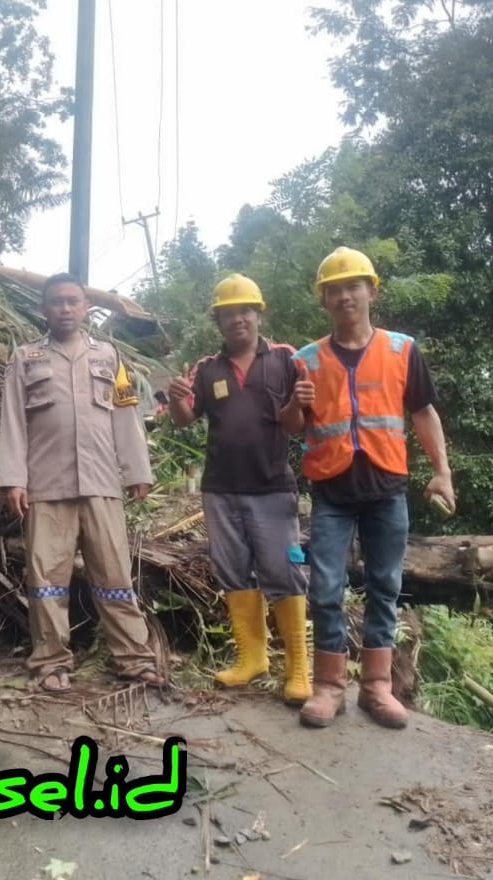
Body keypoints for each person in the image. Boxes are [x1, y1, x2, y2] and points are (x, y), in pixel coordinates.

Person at [281, 247, 455, 730]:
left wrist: (441, 471)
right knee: (325, 588)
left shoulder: (402, 350)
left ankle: (377, 686)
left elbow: (423, 412)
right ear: (323, 299)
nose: (344, 296)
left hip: (386, 488)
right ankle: (329, 686)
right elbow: (291, 426)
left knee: (385, 586)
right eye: (334, 290)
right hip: (332, 490)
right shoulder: (305, 360)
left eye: (353, 286)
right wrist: (296, 403)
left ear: (371, 292)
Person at [0, 273, 168, 693]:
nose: (65, 308)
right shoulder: (26, 358)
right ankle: (51, 662)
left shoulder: (108, 357)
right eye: (57, 301)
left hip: (101, 483)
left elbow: (125, 415)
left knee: (114, 575)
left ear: (86, 307)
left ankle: (134, 658)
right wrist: (14, 479)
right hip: (46, 485)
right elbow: (12, 421)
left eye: (73, 300)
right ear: (44, 309)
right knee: (47, 580)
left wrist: (137, 470)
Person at [165, 274, 312, 705]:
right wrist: (176, 397)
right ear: (218, 321)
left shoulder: (285, 359)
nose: (238, 319)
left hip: (272, 486)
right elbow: (185, 420)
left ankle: (298, 669)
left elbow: (295, 426)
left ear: (258, 313)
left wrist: (296, 403)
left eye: (245, 310)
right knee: (233, 572)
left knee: (283, 571)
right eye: (228, 313)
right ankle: (252, 660)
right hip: (221, 488)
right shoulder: (208, 368)